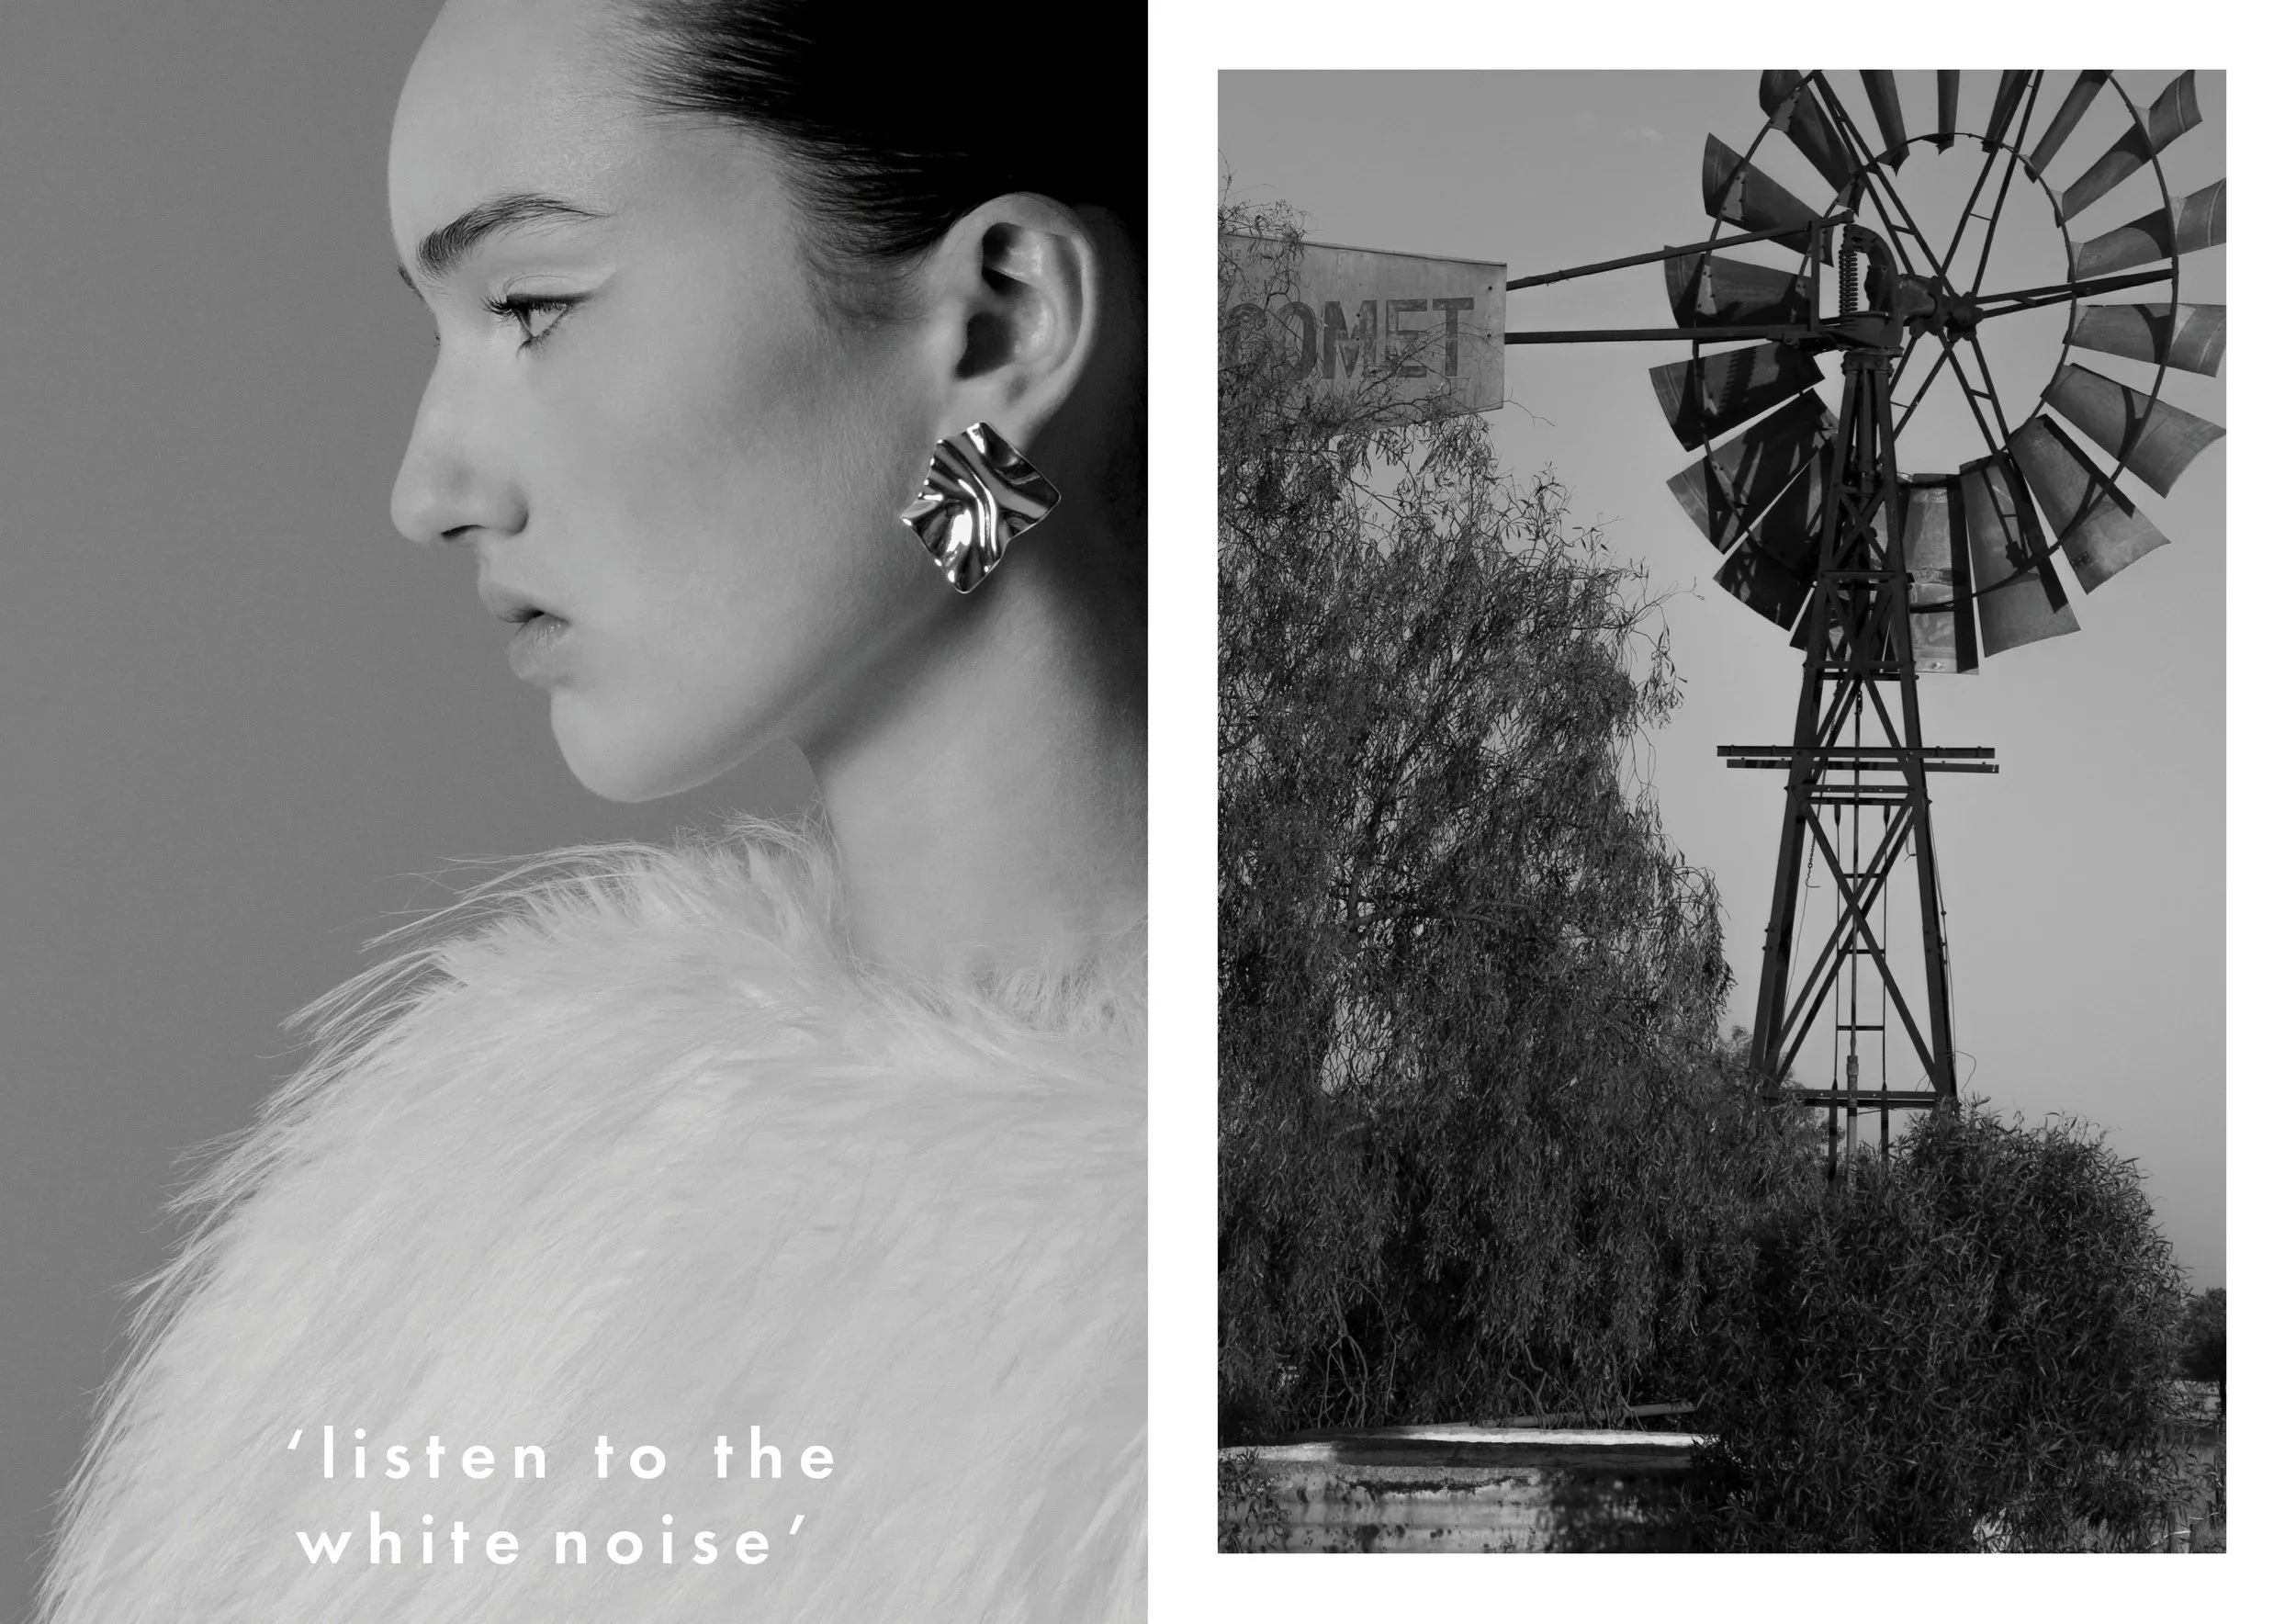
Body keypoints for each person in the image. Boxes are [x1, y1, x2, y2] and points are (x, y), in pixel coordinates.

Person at [38, 1, 1145, 1619]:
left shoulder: (1222, 1317)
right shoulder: (465, 1204)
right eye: (442, 326)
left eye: (530, 305)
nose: (431, 492)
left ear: (999, 328)